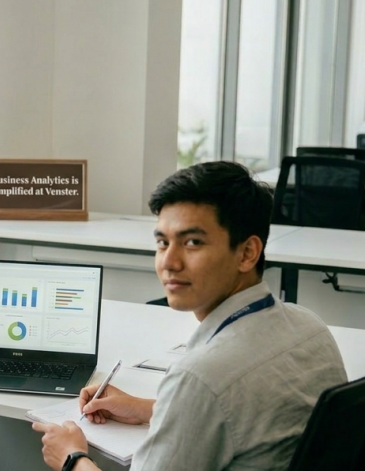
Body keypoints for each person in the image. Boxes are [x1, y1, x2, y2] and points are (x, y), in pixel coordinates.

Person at [31, 161, 348, 471]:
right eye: (162, 242)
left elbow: (213, 393)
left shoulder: (200, 378)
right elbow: (248, 422)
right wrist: (149, 410)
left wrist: (72, 458)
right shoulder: (311, 327)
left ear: (247, 253)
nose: (169, 262)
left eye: (192, 242)